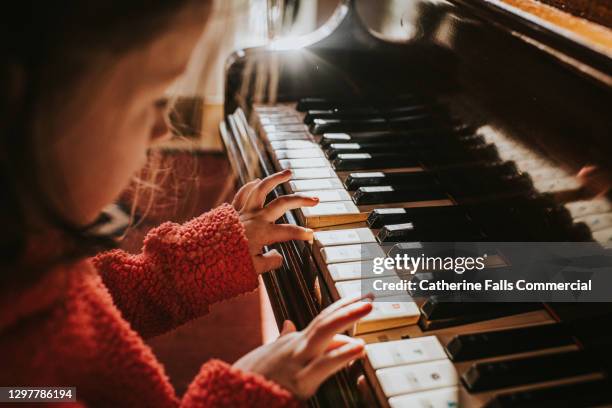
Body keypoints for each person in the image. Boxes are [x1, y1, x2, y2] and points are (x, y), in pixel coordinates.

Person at [0, 1, 372, 406]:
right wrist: (241, 394)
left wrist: (188, 264)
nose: (164, 128)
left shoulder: (27, 262)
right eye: (155, 99)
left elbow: (89, 319)